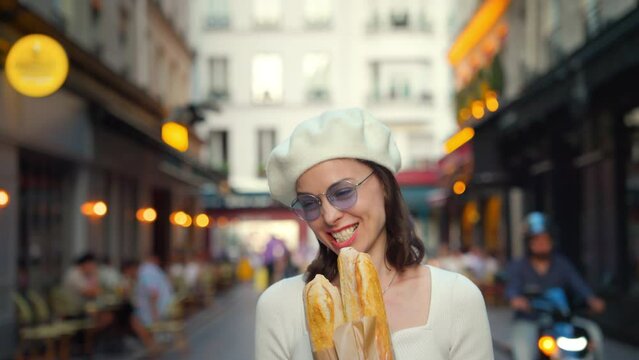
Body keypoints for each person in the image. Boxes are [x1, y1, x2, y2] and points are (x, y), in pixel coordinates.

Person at [255, 108, 493, 359]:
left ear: (384, 184)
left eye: (343, 192)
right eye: (310, 204)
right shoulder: (280, 306)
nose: (329, 216)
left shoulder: (456, 299)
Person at [505, 212, 606, 360]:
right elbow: (512, 289)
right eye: (536, 240)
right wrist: (517, 300)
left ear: (552, 241)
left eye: (545, 239)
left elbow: (578, 284)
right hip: (530, 321)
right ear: (529, 243)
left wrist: (591, 299)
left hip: (561, 321)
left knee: (593, 332)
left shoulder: (562, 264)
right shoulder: (519, 266)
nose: (541, 244)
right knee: (524, 352)